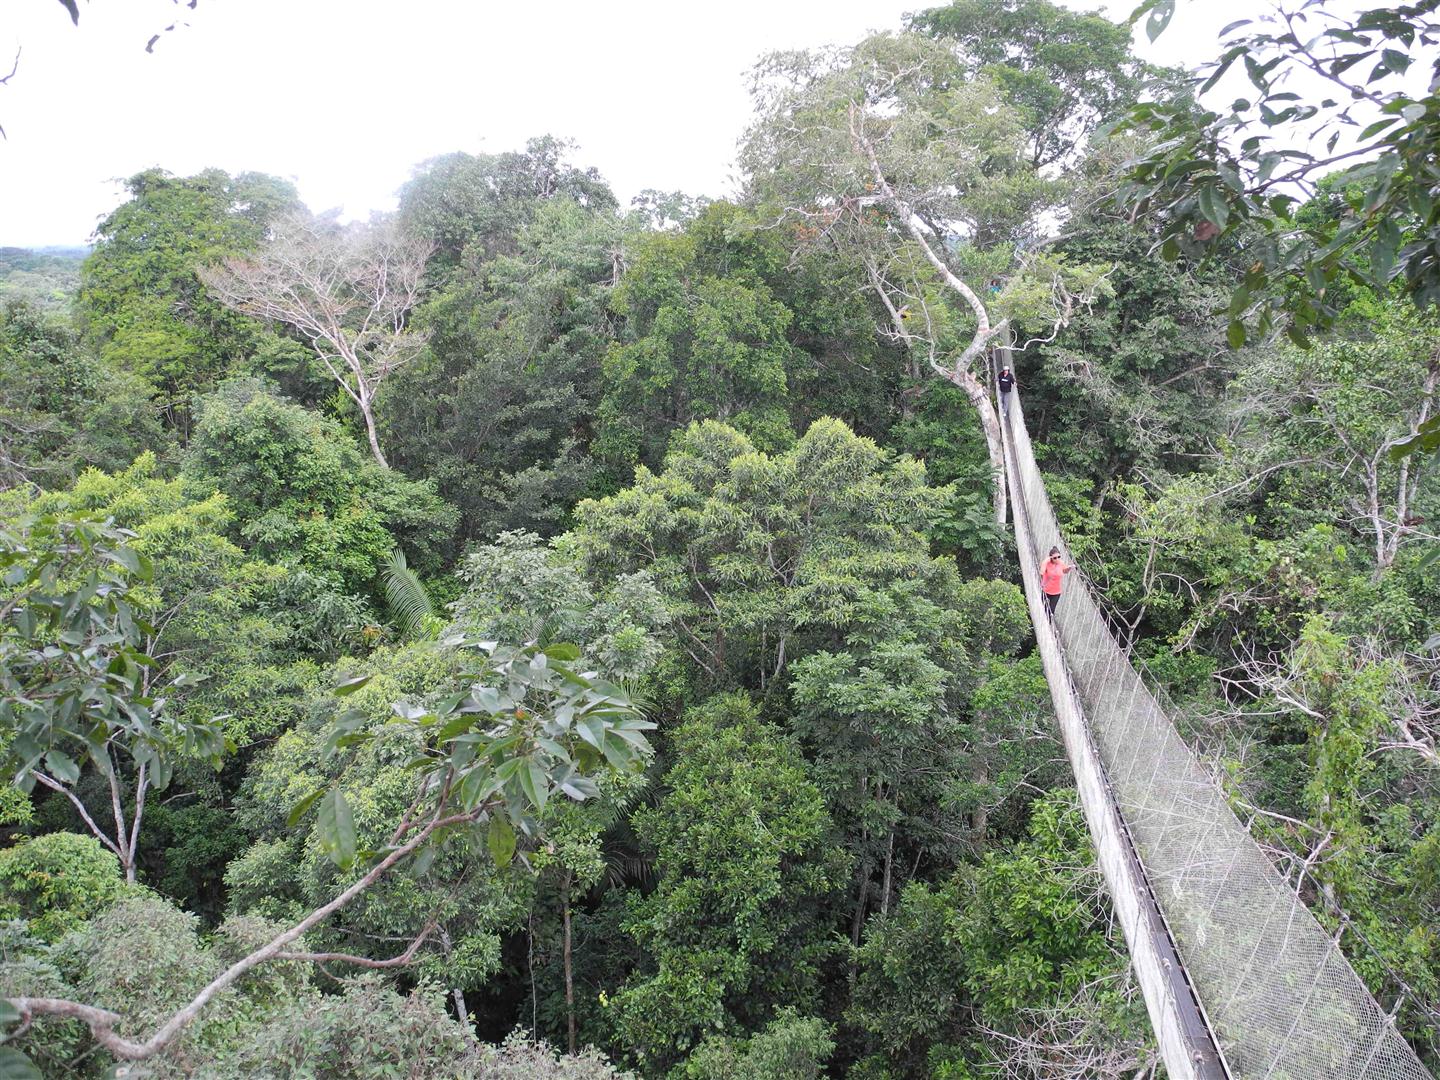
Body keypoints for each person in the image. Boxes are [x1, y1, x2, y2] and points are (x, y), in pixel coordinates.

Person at [1040, 546, 1075, 618]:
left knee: (1051, 611)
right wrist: (1046, 560)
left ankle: (1048, 624)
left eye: (1059, 557)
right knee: (1043, 609)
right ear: (1050, 558)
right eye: (1055, 558)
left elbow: (1064, 571)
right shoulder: (1047, 563)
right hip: (1046, 590)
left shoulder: (1061, 563)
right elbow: (1041, 573)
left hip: (1056, 592)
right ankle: (1042, 621)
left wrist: (1069, 568)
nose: (1057, 559)